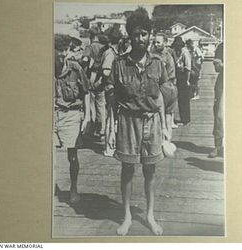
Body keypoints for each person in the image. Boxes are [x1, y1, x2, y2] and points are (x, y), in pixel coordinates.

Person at [107, 7, 170, 236]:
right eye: (135, 34)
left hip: (151, 122)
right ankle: (127, 216)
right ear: (129, 35)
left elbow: (160, 97)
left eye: (144, 33)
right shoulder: (119, 63)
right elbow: (112, 99)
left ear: (149, 35)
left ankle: (150, 215)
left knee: (150, 171)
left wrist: (165, 127)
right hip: (127, 122)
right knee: (127, 169)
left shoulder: (158, 63)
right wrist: (110, 129)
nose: (140, 38)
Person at [54, 35, 91, 203]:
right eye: (58, 50)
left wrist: (87, 117)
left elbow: (86, 93)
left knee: (73, 156)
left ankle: (73, 188)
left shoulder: (75, 68)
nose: (62, 54)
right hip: (52, 115)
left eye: (65, 50)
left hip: (71, 115)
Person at [99, 26, 122, 156]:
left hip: (111, 88)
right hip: (110, 88)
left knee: (112, 117)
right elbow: (106, 71)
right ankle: (108, 148)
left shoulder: (111, 51)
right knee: (111, 118)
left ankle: (110, 146)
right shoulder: (110, 53)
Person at [152, 33, 178, 138]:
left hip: (163, 88)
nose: (155, 44)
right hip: (172, 87)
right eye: (154, 42)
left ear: (165, 43)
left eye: (158, 42)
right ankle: (168, 142)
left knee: (160, 117)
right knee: (168, 117)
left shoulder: (159, 57)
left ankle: (162, 143)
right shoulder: (170, 55)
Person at [83, 26, 107, 139]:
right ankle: (102, 129)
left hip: (92, 77)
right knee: (101, 105)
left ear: (91, 36)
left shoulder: (90, 47)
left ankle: (92, 129)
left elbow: (85, 60)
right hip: (102, 78)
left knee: (91, 104)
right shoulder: (104, 47)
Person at [171, 37, 192, 126]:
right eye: (176, 46)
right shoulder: (174, 52)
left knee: (184, 98)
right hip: (177, 75)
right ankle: (180, 117)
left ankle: (186, 119)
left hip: (184, 75)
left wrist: (187, 80)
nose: (177, 47)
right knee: (178, 98)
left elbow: (188, 68)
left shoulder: (185, 53)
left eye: (179, 46)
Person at [209, 42, 224, 158]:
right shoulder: (221, 46)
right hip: (223, 83)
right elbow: (217, 68)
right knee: (219, 115)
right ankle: (217, 146)